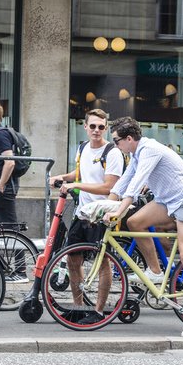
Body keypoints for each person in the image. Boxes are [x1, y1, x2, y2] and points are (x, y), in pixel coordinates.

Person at [104, 117, 183, 338]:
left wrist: (119, 210)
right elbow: (124, 180)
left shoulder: (150, 149)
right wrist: (102, 207)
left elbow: (137, 181)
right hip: (168, 200)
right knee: (135, 222)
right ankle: (156, 272)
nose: (115, 146)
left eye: (116, 141)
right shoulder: (136, 153)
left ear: (129, 139)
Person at [49, 109, 124, 324]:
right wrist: (62, 177)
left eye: (101, 126)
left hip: (101, 215)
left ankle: (99, 311)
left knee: (102, 264)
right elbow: (79, 174)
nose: (97, 130)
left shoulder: (112, 152)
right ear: (85, 127)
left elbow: (109, 186)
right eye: (93, 126)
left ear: (106, 128)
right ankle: (79, 306)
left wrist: (76, 185)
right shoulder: (82, 148)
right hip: (82, 213)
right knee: (73, 259)